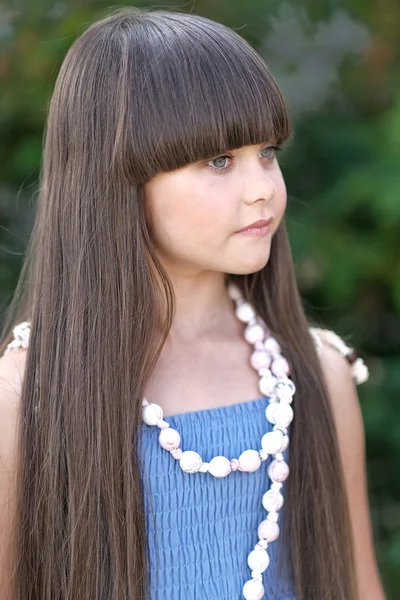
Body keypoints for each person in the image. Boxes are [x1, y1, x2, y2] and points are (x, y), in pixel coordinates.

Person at [0, 7, 386, 600]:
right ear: (117, 177)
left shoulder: (315, 376)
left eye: (268, 152)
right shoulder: (30, 393)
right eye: (219, 161)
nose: (262, 187)